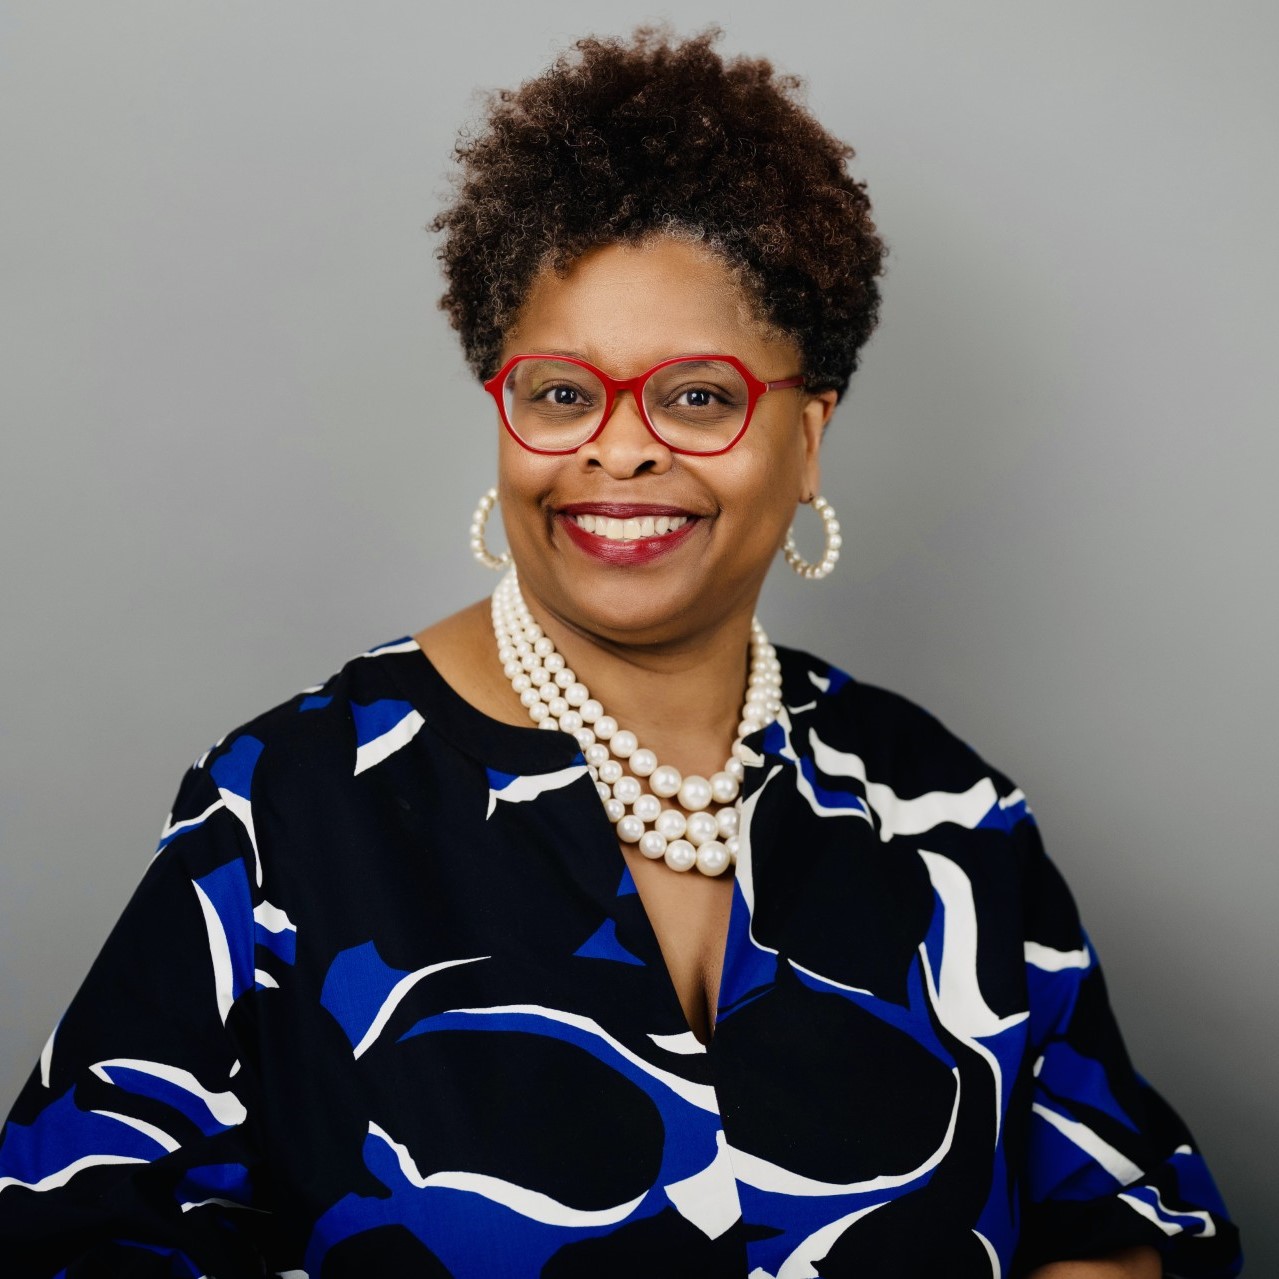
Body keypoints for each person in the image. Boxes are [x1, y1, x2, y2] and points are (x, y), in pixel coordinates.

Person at [0, 27, 1241, 1279]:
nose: (622, 446)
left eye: (698, 395)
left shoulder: (943, 812)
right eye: (561, 392)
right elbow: (70, 1234)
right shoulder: (288, 810)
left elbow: (1125, 1219)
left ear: (808, 437)